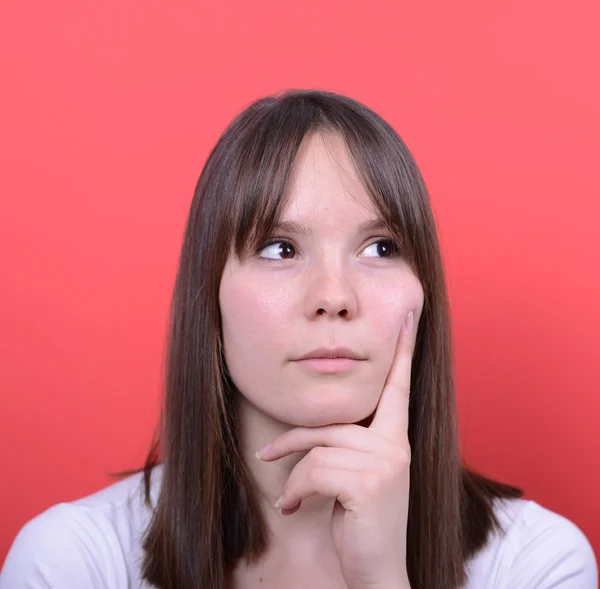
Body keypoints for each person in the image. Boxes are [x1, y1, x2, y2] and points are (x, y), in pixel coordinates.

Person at [1, 89, 597, 589]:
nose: (334, 295)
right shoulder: (73, 563)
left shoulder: (534, 563)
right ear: (209, 294)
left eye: (380, 248)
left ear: (425, 294)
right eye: (279, 248)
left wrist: (383, 578)